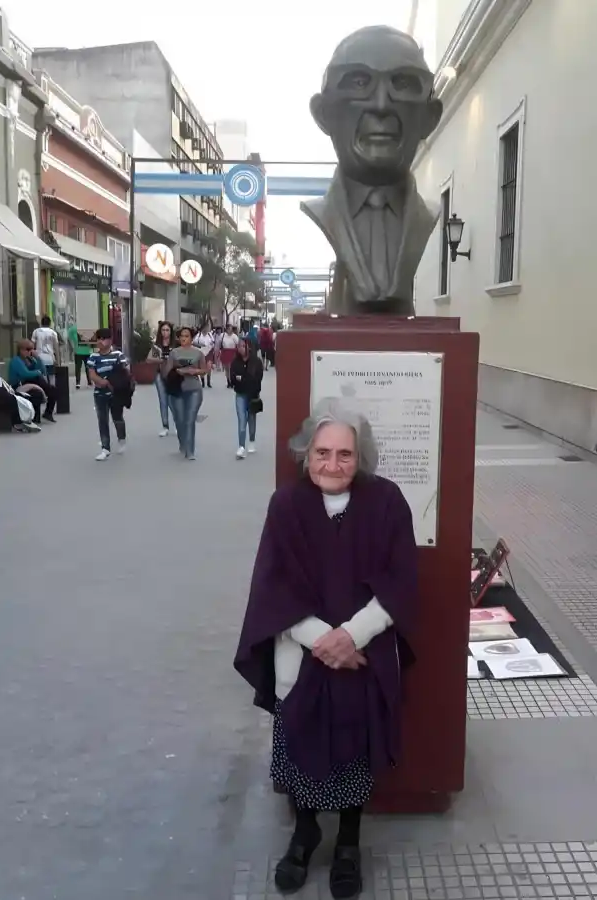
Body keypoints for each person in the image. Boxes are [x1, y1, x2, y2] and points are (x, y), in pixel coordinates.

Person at [234, 399, 417, 899]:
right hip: (303, 650)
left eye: (344, 455)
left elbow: (401, 581)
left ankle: (349, 842)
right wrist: (323, 640)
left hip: (365, 653)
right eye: (322, 453)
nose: (332, 465)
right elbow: (274, 587)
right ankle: (306, 829)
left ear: (361, 457)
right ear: (305, 453)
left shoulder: (387, 502)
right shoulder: (287, 506)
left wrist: (353, 636)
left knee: (355, 752)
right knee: (300, 746)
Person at [302, 26, 443, 316]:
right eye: (357, 83)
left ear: (430, 118)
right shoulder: (321, 212)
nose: (381, 105)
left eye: (403, 84)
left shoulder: (428, 214)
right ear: (324, 114)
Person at [165, 326, 207, 461]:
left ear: (191, 338)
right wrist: (179, 371)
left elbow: (204, 370)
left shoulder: (198, 353)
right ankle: (183, 442)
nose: (184, 338)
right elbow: (166, 372)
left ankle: (190, 451)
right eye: (181, 336)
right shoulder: (174, 353)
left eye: (187, 336)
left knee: (189, 420)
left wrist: (195, 371)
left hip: (194, 389)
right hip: (177, 390)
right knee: (180, 419)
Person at [87, 328, 129, 461]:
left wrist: (116, 382)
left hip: (116, 393)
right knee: (102, 420)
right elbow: (92, 374)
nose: (100, 341)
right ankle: (105, 448)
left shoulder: (118, 355)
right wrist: (101, 381)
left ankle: (121, 438)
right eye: (98, 338)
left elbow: (126, 371)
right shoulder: (94, 357)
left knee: (117, 418)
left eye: (103, 338)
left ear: (110, 340)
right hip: (100, 393)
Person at [8, 340, 58, 423]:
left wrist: (38, 358)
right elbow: (25, 374)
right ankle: (35, 417)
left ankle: (48, 413)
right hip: (18, 385)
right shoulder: (16, 361)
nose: (30, 351)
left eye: (32, 349)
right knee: (37, 390)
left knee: (53, 390)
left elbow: (43, 370)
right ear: (21, 350)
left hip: (29, 383)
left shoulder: (30, 360)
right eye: (28, 349)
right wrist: (37, 372)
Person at [230, 338, 263, 459]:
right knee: (242, 419)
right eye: (239, 346)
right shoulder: (235, 362)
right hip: (240, 393)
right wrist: (241, 379)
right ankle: (241, 446)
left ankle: (252, 441)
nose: (241, 348)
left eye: (243, 346)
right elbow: (233, 378)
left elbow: (257, 378)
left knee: (251, 418)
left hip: (253, 394)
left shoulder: (256, 361)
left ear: (248, 347)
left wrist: (242, 378)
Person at [152, 320, 176, 436]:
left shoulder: (175, 344)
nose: (165, 332)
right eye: (163, 330)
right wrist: (161, 359)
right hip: (159, 375)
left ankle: (177, 423)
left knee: (173, 400)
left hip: (173, 375)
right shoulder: (157, 345)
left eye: (167, 330)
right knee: (163, 400)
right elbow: (149, 358)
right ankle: (165, 426)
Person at [0, 368, 41, 433]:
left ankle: (22, 421)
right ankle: (18, 422)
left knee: (21, 398)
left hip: (2, 390)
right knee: (14, 401)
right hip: (0, 392)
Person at [31, 315, 60, 380]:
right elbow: (56, 348)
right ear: (49, 323)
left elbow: (31, 346)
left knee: (42, 378)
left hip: (39, 358)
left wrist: (31, 358)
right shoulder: (53, 333)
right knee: (52, 378)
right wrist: (58, 361)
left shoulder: (36, 332)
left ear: (41, 323)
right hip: (50, 359)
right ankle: (52, 389)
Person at [68, 321, 93, 389]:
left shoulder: (73, 328)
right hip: (87, 352)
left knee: (78, 368)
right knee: (88, 367)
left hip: (77, 351)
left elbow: (69, 337)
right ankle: (89, 382)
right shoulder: (87, 328)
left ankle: (78, 383)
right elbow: (91, 340)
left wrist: (74, 345)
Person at [193, 324, 214, 388]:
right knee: (202, 368)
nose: (207, 329)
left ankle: (208, 382)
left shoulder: (210, 335)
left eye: (208, 328)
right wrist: (200, 344)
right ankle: (203, 382)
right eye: (206, 328)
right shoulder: (199, 335)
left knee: (209, 367)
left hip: (209, 351)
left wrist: (211, 344)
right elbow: (194, 342)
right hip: (201, 352)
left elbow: (213, 342)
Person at [220, 323, 239, 387]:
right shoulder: (222, 335)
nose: (230, 330)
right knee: (227, 368)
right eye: (229, 329)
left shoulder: (234, 336)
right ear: (226, 329)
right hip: (225, 352)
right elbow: (219, 343)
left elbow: (238, 344)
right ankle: (228, 381)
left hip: (232, 352)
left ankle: (232, 381)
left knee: (232, 368)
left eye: (231, 329)